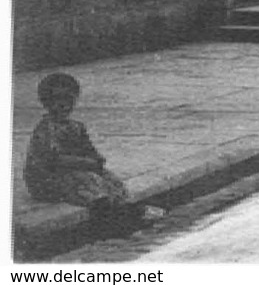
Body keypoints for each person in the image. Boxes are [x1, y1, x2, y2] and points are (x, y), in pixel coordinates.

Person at [26, 73, 163, 228]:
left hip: (74, 171)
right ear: (47, 103)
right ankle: (115, 214)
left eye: (68, 100)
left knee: (110, 178)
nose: (63, 105)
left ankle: (122, 208)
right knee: (89, 180)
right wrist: (86, 163)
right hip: (48, 178)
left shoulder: (77, 127)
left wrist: (97, 160)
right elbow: (52, 159)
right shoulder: (46, 128)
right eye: (57, 101)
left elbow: (89, 149)